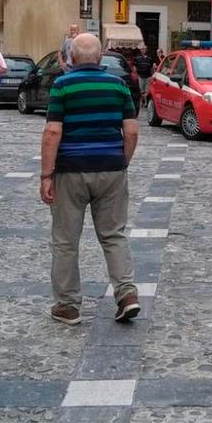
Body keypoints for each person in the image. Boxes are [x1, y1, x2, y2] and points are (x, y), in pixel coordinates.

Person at [40, 32, 140, 326]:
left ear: (71, 58)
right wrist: (121, 162)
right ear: (100, 57)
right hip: (111, 168)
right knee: (113, 235)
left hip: (70, 170)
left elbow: (52, 132)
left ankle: (68, 306)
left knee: (66, 241)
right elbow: (132, 131)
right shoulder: (118, 85)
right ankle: (127, 294)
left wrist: (47, 174)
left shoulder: (62, 86)